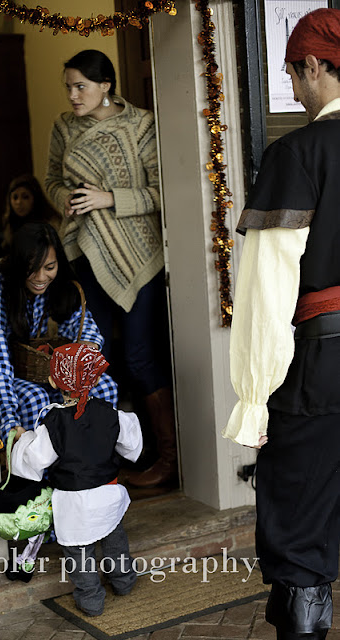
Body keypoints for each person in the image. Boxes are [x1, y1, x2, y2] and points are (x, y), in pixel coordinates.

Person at [223, 9, 340, 640]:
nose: (294, 92)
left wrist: (254, 398)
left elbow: (267, 292)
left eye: (294, 75)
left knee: (298, 527)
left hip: (321, 370)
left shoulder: (297, 153)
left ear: (316, 66)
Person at [45, 48, 177, 488]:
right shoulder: (64, 126)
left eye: (81, 86)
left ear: (105, 86)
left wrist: (109, 199)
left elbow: (162, 191)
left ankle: (167, 458)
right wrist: (64, 199)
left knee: (139, 355)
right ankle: (99, 460)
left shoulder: (141, 125)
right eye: (68, 87)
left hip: (137, 256)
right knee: (92, 357)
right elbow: (51, 180)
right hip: (86, 254)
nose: (73, 95)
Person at [11, 342, 143, 616]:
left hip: (74, 503)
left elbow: (36, 459)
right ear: (94, 379)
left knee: (79, 554)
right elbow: (131, 445)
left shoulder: (54, 423)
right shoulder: (110, 413)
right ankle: (124, 582)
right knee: (115, 540)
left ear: (52, 381)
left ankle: (91, 600)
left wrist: (23, 438)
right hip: (108, 495)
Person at [0, 222, 118, 445]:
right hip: (14, 376)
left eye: (49, 267)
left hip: (52, 374)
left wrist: (85, 361)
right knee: (35, 397)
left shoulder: (63, 287)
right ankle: (44, 466)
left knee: (105, 386)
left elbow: (85, 328)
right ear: (18, 263)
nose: (40, 277)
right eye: (32, 268)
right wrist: (8, 421)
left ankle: (93, 458)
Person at [1, 174, 61, 251]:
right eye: (15, 198)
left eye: (25, 197)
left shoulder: (51, 224)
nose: (19, 202)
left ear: (35, 198)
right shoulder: (11, 224)